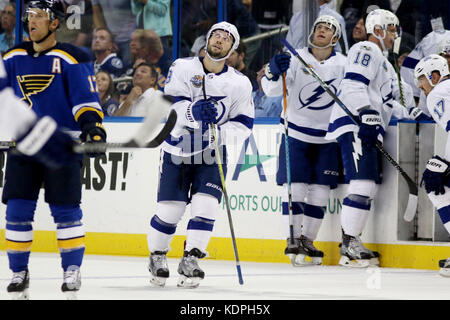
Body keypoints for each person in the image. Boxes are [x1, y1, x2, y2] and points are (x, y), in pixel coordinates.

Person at [2, 0, 106, 299]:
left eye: (39, 16)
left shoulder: (73, 56)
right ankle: (18, 272)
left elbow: (84, 98)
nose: (31, 21)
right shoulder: (12, 56)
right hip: (25, 144)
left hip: (63, 146)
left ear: (55, 22)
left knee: (65, 211)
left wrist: (92, 127)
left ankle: (71, 270)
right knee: (18, 210)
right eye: (29, 16)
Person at [146, 21, 254, 288]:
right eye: (215, 35)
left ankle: (191, 258)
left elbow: (244, 125)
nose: (219, 40)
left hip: (212, 153)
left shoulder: (240, 84)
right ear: (207, 40)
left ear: (233, 48)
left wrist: (216, 133)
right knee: (171, 210)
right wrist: (193, 112)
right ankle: (157, 256)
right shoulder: (182, 67)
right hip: (178, 147)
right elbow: (171, 106)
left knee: (206, 205)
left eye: (226, 38)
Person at [262, 15, 346, 266]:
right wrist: (272, 72)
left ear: (336, 38)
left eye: (327, 29)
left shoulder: (344, 64)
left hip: (328, 136)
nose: (321, 30)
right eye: (318, 27)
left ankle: (308, 240)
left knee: (320, 192)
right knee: (296, 188)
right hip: (296, 133)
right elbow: (272, 91)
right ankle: (292, 238)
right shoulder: (295, 58)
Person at [325, 9, 403, 267]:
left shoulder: (383, 60)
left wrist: (409, 112)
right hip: (356, 123)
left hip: (364, 123)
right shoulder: (367, 50)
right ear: (378, 30)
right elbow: (352, 84)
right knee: (363, 184)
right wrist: (366, 113)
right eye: (391, 30)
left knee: (366, 184)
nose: (394, 36)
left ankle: (351, 242)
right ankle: (349, 244)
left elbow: (385, 102)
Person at [414, 54, 450, 277]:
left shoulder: (438, 92)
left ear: (435, 76)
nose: (422, 89)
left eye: (423, 83)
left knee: (438, 187)